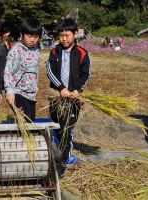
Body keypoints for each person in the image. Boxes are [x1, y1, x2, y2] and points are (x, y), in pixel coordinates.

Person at [46, 18, 91, 176]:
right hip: (56, 97)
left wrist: (77, 90)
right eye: (61, 35)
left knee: (67, 129)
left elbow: (86, 74)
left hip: (73, 99)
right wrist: (61, 88)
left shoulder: (82, 54)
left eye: (67, 35)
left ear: (75, 34)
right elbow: (50, 71)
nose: (64, 38)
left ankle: (63, 161)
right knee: (56, 125)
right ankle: (57, 154)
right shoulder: (54, 51)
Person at [4, 18, 42, 122]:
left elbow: (34, 69)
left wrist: (35, 85)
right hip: (18, 92)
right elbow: (8, 72)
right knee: (26, 122)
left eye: (36, 37)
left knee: (30, 121)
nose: (32, 40)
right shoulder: (16, 51)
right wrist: (10, 91)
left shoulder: (36, 50)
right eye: (29, 36)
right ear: (22, 34)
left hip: (31, 94)